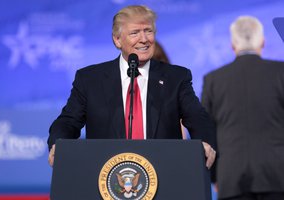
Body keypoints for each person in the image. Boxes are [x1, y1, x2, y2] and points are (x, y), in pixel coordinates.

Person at [48, 5, 216, 170]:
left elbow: (198, 118)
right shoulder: (90, 79)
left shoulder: (176, 77)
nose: (144, 39)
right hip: (105, 177)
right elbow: (68, 121)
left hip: (164, 174)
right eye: (135, 33)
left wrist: (205, 142)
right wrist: (58, 143)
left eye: (148, 31)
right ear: (117, 39)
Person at [201, 16, 284, 200]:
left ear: (233, 45)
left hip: (231, 179)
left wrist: (215, 176)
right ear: (262, 41)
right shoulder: (281, 73)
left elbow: (206, 133)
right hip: (278, 177)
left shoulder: (213, 80)